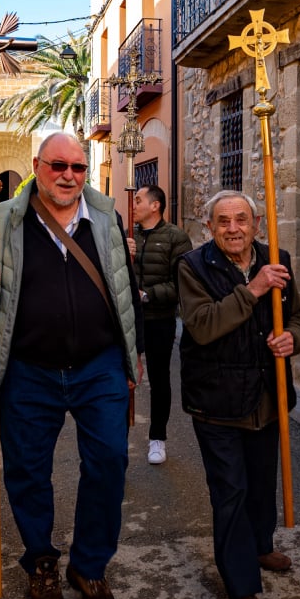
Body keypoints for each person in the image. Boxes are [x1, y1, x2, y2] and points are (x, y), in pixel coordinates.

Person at [0, 132, 143, 599]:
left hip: (98, 366)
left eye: (78, 168)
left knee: (109, 463)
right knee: (26, 471)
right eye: (58, 165)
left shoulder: (105, 218)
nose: (69, 176)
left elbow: (124, 286)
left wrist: (136, 355)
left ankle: (88, 566)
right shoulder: (2, 221)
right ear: (38, 168)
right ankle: (41, 561)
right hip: (28, 370)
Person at [177, 190, 300, 599]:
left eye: (242, 220)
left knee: (260, 479)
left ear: (255, 223)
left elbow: (297, 315)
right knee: (230, 491)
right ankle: (241, 585)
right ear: (209, 227)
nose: (234, 229)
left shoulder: (277, 257)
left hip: (267, 396)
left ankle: (260, 546)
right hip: (216, 401)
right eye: (223, 221)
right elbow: (203, 326)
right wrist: (254, 288)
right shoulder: (192, 267)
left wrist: (293, 339)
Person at [131, 184, 192, 465]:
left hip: (159, 320)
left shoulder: (176, 238)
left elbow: (181, 283)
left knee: (159, 379)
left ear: (155, 206)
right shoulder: (128, 236)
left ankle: (158, 438)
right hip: (128, 320)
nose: (134, 203)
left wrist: (148, 295)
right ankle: (118, 439)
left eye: (139, 199)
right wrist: (123, 252)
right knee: (121, 377)